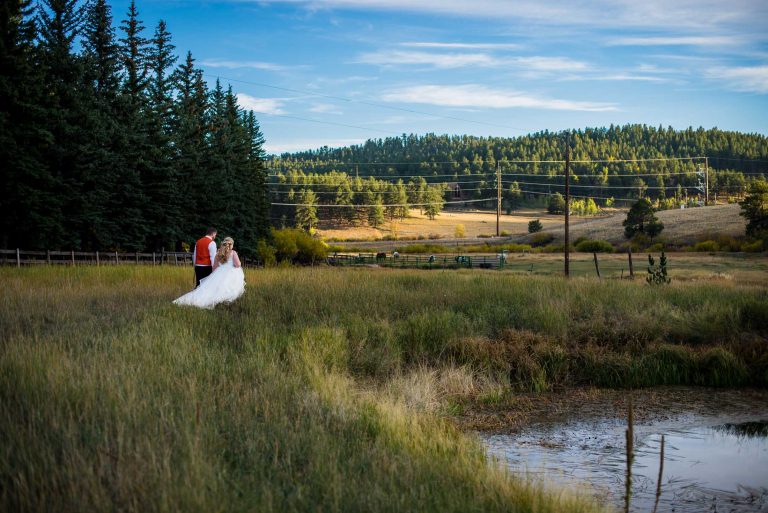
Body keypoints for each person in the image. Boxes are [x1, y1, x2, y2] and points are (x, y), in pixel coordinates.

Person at [173, 237, 245, 309]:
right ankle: (225, 304)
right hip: (230, 273)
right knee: (227, 289)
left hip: (219, 273)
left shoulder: (218, 254)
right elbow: (238, 264)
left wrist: (213, 277)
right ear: (231, 244)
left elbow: (214, 268)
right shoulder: (233, 252)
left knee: (212, 289)